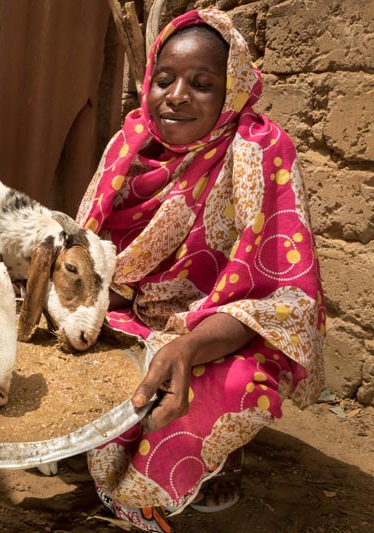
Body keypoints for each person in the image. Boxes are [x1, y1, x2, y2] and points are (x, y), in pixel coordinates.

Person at [75, 9, 325, 532]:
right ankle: (105, 448)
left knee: (234, 386)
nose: (177, 95)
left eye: (202, 83)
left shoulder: (259, 153)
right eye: (164, 79)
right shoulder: (132, 148)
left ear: (232, 90)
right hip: (140, 314)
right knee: (74, 346)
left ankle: (207, 463)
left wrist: (185, 346)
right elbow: (104, 266)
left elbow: (281, 303)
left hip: (225, 332)